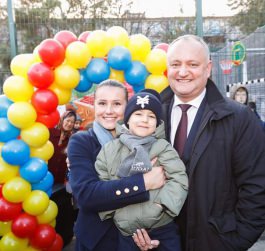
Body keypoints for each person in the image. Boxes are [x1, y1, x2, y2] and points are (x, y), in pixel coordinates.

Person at [134, 35, 265, 251]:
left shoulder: (239, 119)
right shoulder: (147, 116)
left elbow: (256, 187)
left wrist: (234, 242)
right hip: (158, 242)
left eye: (192, 64)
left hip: (215, 242)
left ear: (208, 68)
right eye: (175, 64)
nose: (183, 72)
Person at [67, 79, 166, 251]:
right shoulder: (82, 141)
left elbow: (163, 193)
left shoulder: (146, 139)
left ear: (128, 108)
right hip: (96, 240)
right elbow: (87, 196)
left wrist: (155, 234)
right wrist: (143, 183)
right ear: (94, 106)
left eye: (117, 104)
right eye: (102, 103)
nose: (109, 111)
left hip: (137, 238)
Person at [95, 89, 188, 251]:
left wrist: (161, 206)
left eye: (151, 116)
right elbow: (102, 183)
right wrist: (115, 213)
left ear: (157, 123)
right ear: (128, 119)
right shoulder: (109, 150)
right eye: (138, 114)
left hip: (162, 229)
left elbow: (179, 178)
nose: (144, 120)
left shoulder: (162, 147)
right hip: (126, 233)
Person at [48, 109, 77, 246]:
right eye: (68, 120)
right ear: (62, 120)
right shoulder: (49, 133)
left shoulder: (72, 139)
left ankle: (64, 237)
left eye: (72, 122)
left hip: (62, 182)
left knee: (63, 209)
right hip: (44, 179)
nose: (70, 124)